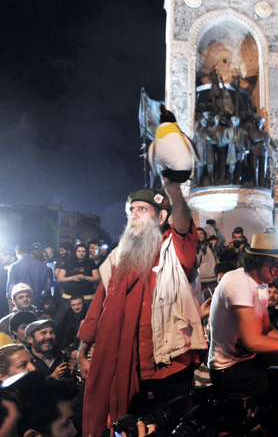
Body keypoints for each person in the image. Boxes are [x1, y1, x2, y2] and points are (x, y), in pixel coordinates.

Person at [77, 182, 206, 437]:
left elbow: (183, 225)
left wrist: (174, 190)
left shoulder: (176, 249)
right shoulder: (117, 258)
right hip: (129, 361)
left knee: (173, 427)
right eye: (131, 210)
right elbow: (98, 308)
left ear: (161, 217)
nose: (134, 215)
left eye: (142, 209)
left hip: (172, 360)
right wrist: (82, 350)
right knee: (129, 428)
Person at [208, 233, 278, 402]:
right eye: (276, 266)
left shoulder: (262, 285)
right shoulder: (237, 282)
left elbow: (266, 329)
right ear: (259, 260)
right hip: (228, 370)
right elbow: (252, 341)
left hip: (250, 359)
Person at [6, 241, 54, 310]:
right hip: (37, 305)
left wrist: (11, 311)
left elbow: (10, 292)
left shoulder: (14, 267)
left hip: (20, 306)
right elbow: (47, 287)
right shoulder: (43, 266)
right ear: (31, 251)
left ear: (17, 251)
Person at [55, 244, 100, 309]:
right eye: (79, 251)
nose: (81, 253)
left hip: (87, 295)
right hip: (70, 295)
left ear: (86, 252)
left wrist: (84, 277)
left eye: (83, 251)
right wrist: (72, 278)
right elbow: (59, 278)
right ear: (75, 252)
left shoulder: (91, 263)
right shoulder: (68, 263)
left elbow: (97, 278)